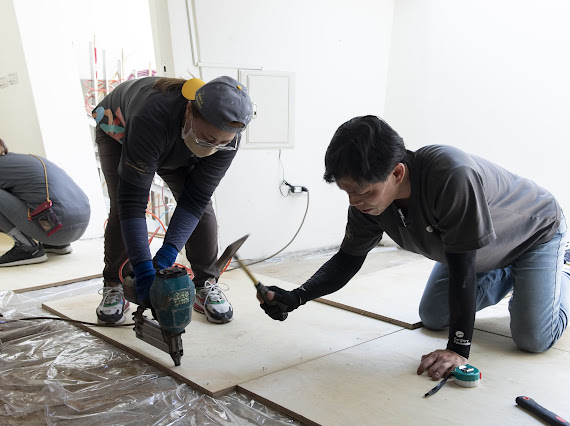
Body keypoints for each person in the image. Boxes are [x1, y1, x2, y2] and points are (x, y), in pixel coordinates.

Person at [259, 115, 569, 381]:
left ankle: (562, 272)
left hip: (534, 236)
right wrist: (297, 297)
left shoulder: (451, 175)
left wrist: (458, 349)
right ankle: (512, 275)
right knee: (433, 316)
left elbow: (463, 270)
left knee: (532, 339)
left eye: (362, 192)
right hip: (476, 252)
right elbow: (347, 260)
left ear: (396, 173)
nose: (354, 202)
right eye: (347, 193)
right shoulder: (368, 203)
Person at [92, 75, 252, 325]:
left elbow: (196, 198)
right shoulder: (151, 115)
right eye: (208, 139)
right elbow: (132, 203)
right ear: (190, 111)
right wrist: (143, 268)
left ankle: (204, 283)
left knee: (202, 209)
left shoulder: (229, 138)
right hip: (120, 128)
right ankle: (116, 283)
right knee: (120, 206)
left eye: (222, 143)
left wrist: (168, 253)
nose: (212, 148)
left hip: (178, 138)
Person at [0, 138, 91, 266]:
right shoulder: (28, 159)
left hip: (58, 230)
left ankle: (27, 248)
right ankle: (56, 245)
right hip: (79, 227)